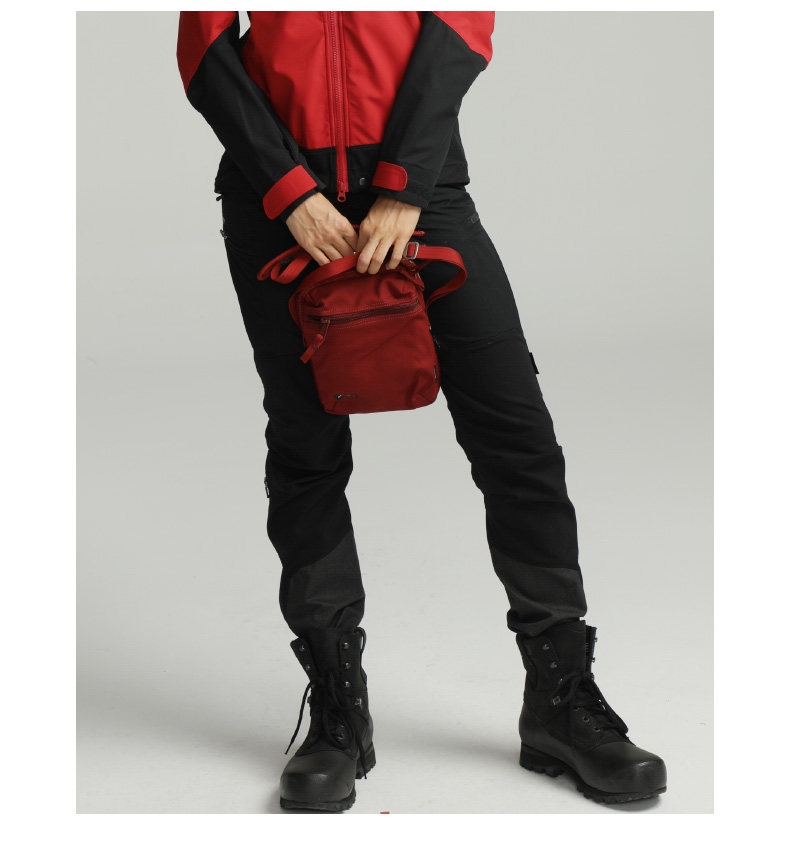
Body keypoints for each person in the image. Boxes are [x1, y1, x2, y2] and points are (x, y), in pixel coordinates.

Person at [177, 11, 667, 812]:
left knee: (516, 435)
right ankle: (338, 715)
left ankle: (560, 700)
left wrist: (403, 183)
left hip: (420, 186)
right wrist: (288, 187)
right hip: (278, 200)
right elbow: (202, 45)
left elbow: (461, 23)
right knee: (305, 446)